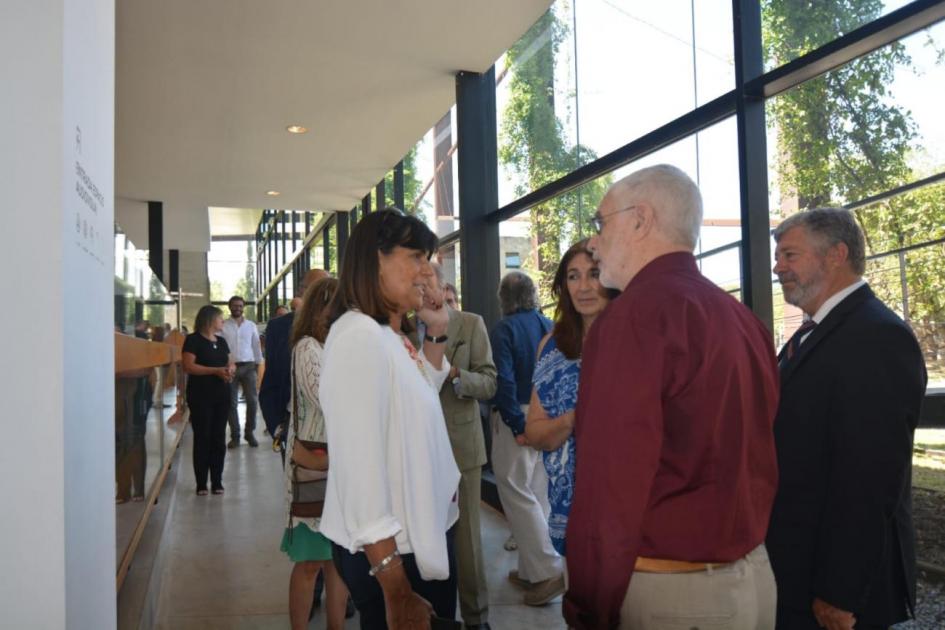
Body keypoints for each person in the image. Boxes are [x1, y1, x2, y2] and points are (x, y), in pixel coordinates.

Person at [564, 165, 780, 629]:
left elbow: (610, 485)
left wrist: (587, 605)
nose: (595, 242)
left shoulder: (633, 319)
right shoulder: (742, 318)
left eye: (601, 223)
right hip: (754, 580)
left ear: (640, 220)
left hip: (674, 593)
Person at [767, 208, 926, 630]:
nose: (777, 266)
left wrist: (839, 592)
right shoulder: (812, 333)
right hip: (798, 569)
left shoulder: (876, 336)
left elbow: (869, 479)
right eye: (777, 256)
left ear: (836, 255)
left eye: (789, 255)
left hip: (836, 591)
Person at [319, 208, 460, 628]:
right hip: (392, 557)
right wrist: (396, 590)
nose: (427, 270)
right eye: (415, 256)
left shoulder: (388, 335)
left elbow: (420, 396)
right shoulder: (359, 338)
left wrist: (435, 329)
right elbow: (359, 471)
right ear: (374, 259)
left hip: (412, 541)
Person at [410, 263, 496, 630]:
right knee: (418, 538)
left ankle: (477, 619)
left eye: (430, 281)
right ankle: (429, 615)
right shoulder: (397, 328)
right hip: (413, 449)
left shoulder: (471, 323)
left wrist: (458, 375)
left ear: (445, 286)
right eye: (417, 282)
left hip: (461, 446)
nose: (424, 289)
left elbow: (490, 382)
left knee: (466, 541)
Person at [524, 239, 616, 563]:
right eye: (574, 277)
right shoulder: (552, 346)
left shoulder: (632, 338)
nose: (584, 287)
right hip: (569, 509)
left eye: (594, 273)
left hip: (625, 504)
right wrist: (574, 419)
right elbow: (535, 434)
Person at [489, 271, 564, 606]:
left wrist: (518, 425)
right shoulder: (549, 325)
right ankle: (531, 570)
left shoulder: (503, 329)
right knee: (538, 493)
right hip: (547, 414)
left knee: (516, 493)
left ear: (504, 298)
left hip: (516, 416)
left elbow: (502, 379)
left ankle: (548, 570)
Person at [281, 276, 349, 630]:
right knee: (310, 560)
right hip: (315, 461)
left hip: (337, 460)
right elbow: (328, 399)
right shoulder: (308, 347)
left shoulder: (334, 346)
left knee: (337, 559)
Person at [259, 270, 329, 453]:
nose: (323, 296)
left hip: (336, 429)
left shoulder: (343, 326)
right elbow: (271, 381)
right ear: (301, 291)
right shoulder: (279, 328)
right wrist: (277, 427)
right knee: (302, 480)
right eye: (316, 289)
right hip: (293, 429)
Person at [181, 305, 235, 495]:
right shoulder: (193, 340)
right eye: (220, 318)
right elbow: (188, 366)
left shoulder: (221, 341)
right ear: (210, 320)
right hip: (200, 395)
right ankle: (202, 483)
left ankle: (217, 480)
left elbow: (230, 361)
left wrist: (230, 370)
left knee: (218, 438)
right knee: (203, 437)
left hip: (221, 394)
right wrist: (215, 371)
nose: (223, 322)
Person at [221, 295, 263, 448]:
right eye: (234, 305)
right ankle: (235, 436)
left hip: (249, 366)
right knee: (230, 404)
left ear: (243, 307)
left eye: (240, 305)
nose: (237, 308)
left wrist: (259, 365)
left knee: (252, 401)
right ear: (229, 307)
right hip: (230, 367)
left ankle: (249, 433)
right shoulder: (223, 325)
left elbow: (256, 345)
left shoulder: (251, 325)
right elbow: (220, 347)